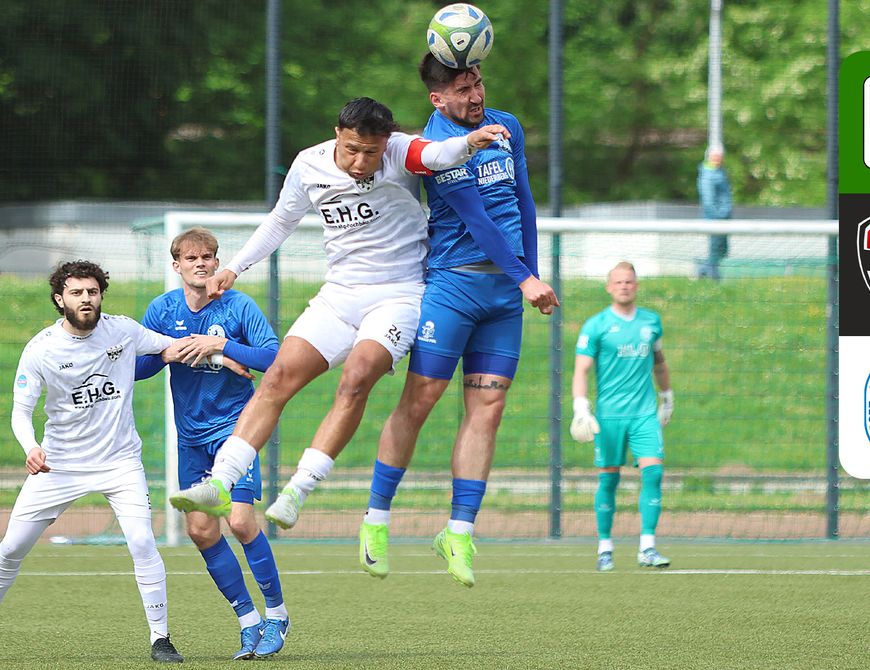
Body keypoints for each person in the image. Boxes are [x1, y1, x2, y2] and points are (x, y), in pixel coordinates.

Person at [167, 98, 511, 530]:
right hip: (339, 295)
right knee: (278, 377)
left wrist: (469, 142)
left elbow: (435, 153)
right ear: (337, 134)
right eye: (351, 149)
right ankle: (220, 482)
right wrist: (235, 267)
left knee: (356, 378)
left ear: (385, 142)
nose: (360, 161)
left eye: (370, 152)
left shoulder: (399, 151)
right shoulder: (309, 165)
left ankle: (298, 490)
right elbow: (280, 220)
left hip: (399, 296)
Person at [356, 54, 559, 588]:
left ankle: (459, 531)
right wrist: (525, 279)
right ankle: (376, 520)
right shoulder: (434, 149)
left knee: (488, 409)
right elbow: (477, 218)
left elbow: (523, 204)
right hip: (453, 287)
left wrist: (529, 274)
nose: (476, 97)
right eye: (464, 90)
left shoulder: (507, 126)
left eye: (478, 84)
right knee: (419, 401)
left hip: (505, 295)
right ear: (437, 99)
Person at [1, 260, 185, 663]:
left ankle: (161, 639)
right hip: (59, 465)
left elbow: (167, 347)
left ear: (101, 294)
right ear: (59, 299)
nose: (86, 299)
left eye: (92, 291)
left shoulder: (123, 330)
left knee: (141, 541)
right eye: (77, 293)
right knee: (11, 548)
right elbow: (20, 410)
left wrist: (219, 352)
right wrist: (31, 446)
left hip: (120, 463)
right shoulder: (41, 349)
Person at [135, 228, 290, 660]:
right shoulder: (162, 310)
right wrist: (166, 353)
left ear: (217, 261)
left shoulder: (238, 306)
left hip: (236, 431)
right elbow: (138, 366)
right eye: (192, 258)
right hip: (191, 439)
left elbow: (275, 359)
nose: (201, 264)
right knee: (201, 530)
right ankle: (249, 622)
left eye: (209, 256)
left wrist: (222, 344)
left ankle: (277, 615)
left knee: (240, 522)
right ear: (177, 266)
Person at [569, 261, 674, 572]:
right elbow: (581, 369)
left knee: (653, 473)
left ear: (636, 285)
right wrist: (580, 406)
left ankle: (648, 547)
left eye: (629, 281)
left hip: (643, 414)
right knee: (609, 479)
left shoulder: (651, 322)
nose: (624, 286)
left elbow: (659, 362)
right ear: (608, 287)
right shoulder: (596, 326)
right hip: (609, 416)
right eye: (618, 282)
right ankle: (605, 547)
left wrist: (667, 398)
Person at [697, 145, 732, 280]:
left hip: (724, 217)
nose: (718, 159)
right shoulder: (707, 175)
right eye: (715, 156)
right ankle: (709, 273)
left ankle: (706, 272)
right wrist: (719, 214)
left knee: (722, 248)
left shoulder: (721, 172)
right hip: (715, 218)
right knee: (715, 247)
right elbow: (708, 200)